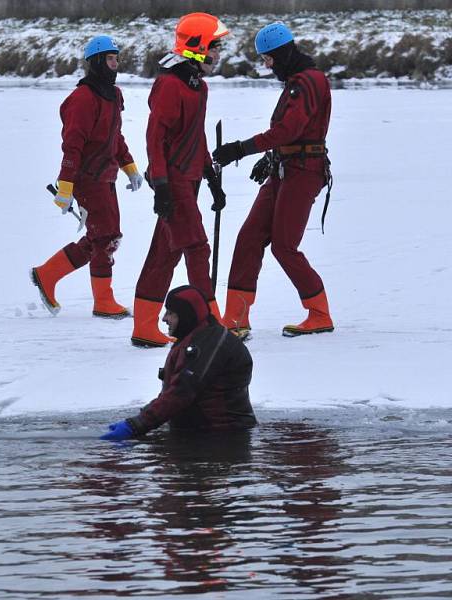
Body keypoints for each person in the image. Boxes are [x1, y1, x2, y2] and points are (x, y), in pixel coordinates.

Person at [212, 22, 334, 338]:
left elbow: (289, 131)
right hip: (284, 168)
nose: (267, 65)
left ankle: (319, 313)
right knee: (249, 237)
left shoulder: (307, 82)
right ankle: (235, 319)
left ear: (281, 53)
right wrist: (270, 158)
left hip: (304, 172)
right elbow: (290, 134)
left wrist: (241, 149)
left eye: (268, 59)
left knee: (284, 245)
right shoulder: (297, 81)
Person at [131, 13, 229, 348]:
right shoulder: (171, 85)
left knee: (164, 253)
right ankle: (209, 325)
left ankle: (144, 326)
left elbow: (196, 135)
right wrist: (160, 184)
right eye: (214, 47)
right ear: (197, 47)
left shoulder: (197, 86)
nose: (218, 53)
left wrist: (210, 175)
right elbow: (154, 138)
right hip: (172, 182)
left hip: (190, 180)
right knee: (197, 248)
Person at [31, 35, 143, 319]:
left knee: (104, 237)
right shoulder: (81, 99)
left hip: (106, 177)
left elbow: (115, 136)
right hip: (85, 179)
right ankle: (103, 301)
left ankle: (47, 274)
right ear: (96, 63)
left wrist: (128, 166)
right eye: (110, 59)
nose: (115, 64)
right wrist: (65, 187)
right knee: (105, 237)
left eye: (117, 58)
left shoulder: (114, 95)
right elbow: (72, 145)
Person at [100, 285, 256, 441]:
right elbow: (172, 393)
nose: (164, 318)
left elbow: (181, 393)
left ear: (187, 315)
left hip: (221, 440)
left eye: (171, 313)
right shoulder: (196, 338)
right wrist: (140, 418)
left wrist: (135, 425)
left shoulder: (208, 345)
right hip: (200, 435)